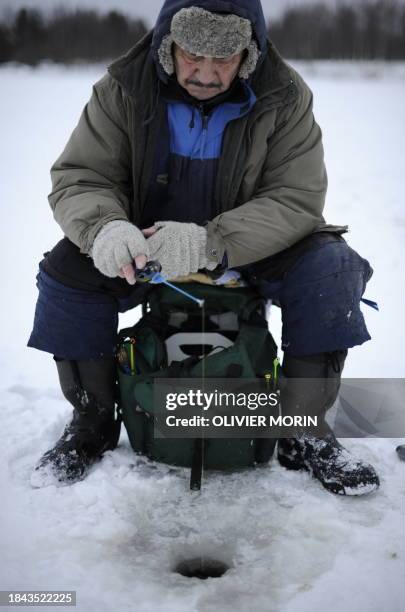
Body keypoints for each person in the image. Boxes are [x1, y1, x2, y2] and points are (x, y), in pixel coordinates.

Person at [28, 0, 379, 495]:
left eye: (225, 59)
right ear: (168, 45)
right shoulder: (122, 89)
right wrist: (105, 227)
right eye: (193, 55)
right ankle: (92, 424)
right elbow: (82, 176)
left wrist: (209, 242)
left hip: (253, 246)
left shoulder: (287, 95)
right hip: (145, 245)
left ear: (249, 56)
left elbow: (296, 199)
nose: (207, 73)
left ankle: (304, 431)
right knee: (67, 271)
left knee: (332, 269)